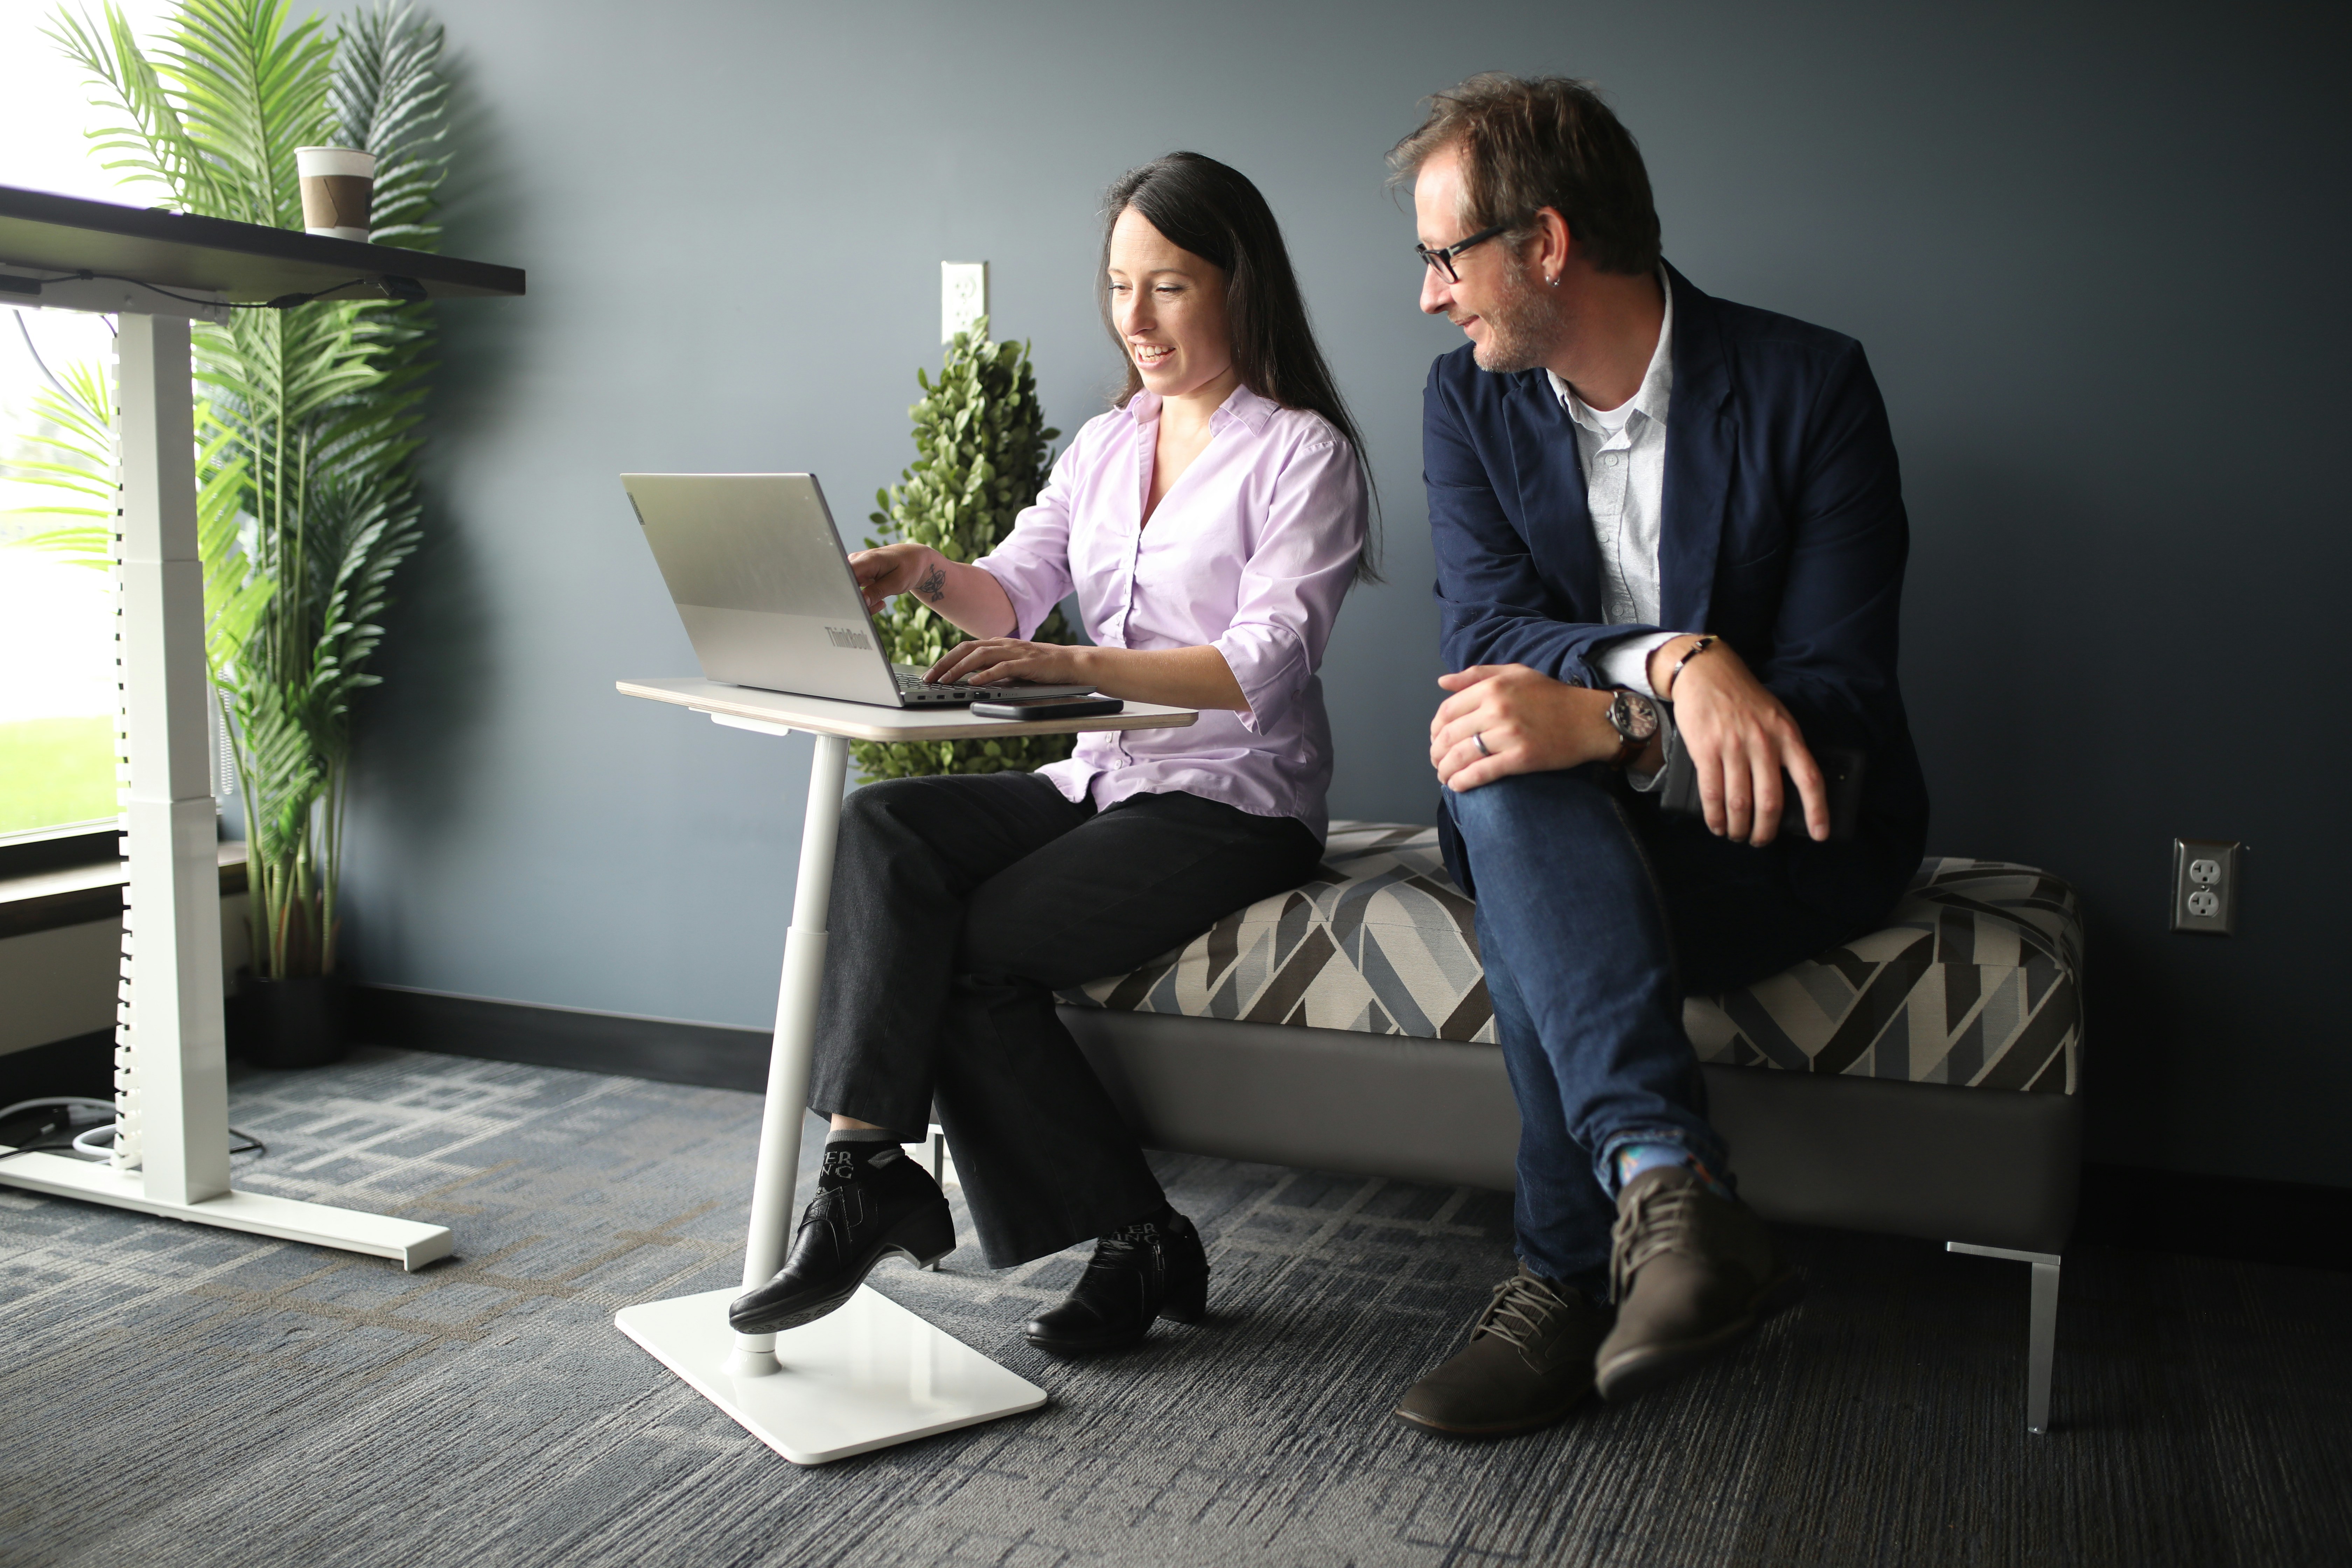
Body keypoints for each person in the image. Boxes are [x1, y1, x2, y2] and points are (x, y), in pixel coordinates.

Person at [728, 152, 1372, 1353]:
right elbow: (1015, 592)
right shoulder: (1106, 443)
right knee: (885, 827)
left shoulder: (1302, 456)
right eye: (1121, 285)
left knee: (968, 953)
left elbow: (1261, 661)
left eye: (1169, 287)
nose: (1134, 318)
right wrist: (926, 572)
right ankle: (869, 1164)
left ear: (1240, 286)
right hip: (1104, 780)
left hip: (1234, 799)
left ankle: (1134, 1237)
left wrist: (1075, 668)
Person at [1387, 75, 1930, 1434]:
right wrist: (1669, 670)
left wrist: (1610, 727)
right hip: (1571, 829)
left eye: (1444, 257)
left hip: (1780, 842)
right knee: (1499, 753)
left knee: (1522, 836)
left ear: (1547, 244)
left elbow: (1839, 709)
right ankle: (1670, 1197)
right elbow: (1492, 636)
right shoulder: (1468, 408)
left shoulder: (1812, 387)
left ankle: (1562, 1274)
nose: (1430, 296)